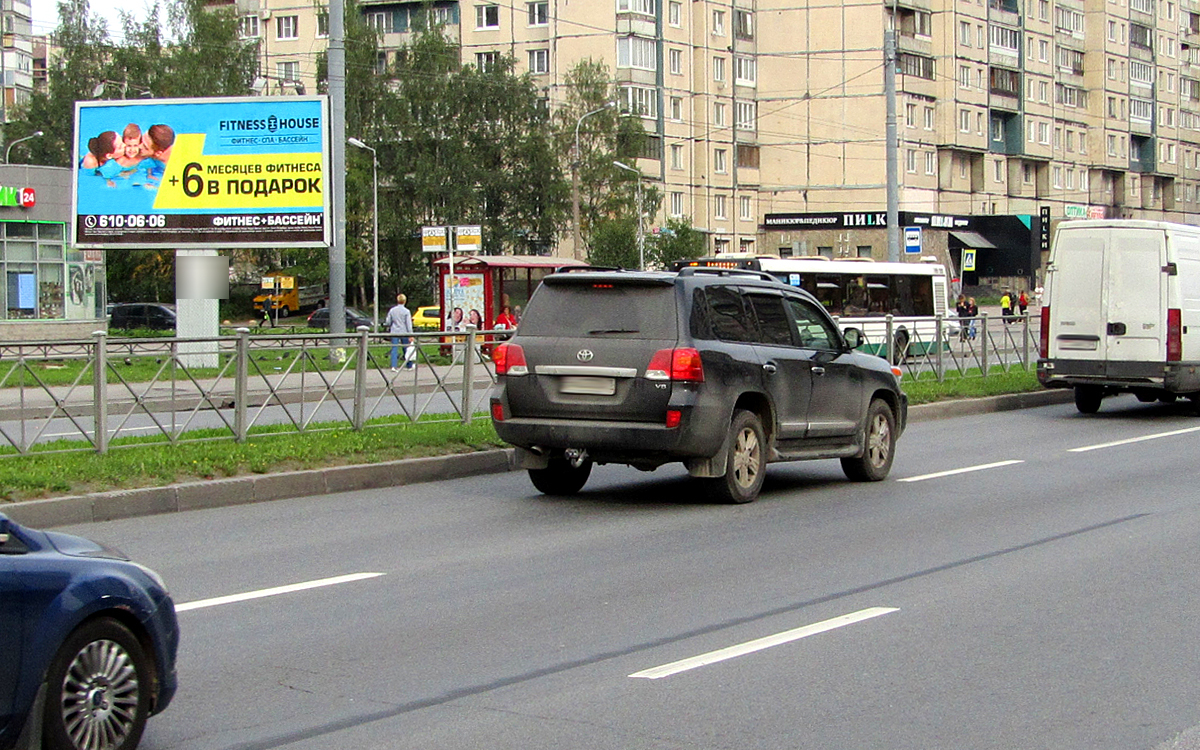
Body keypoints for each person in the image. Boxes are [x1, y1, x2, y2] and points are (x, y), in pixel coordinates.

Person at [384, 293, 414, 371]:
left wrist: (389, 325)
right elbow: (408, 324)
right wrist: (411, 334)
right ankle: (409, 365)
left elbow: (388, 322)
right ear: (405, 301)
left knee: (394, 348)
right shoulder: (406, 311)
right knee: (406, 348)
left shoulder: (392, 310)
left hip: (394, 332)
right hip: (404, 332)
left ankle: (394, 366)